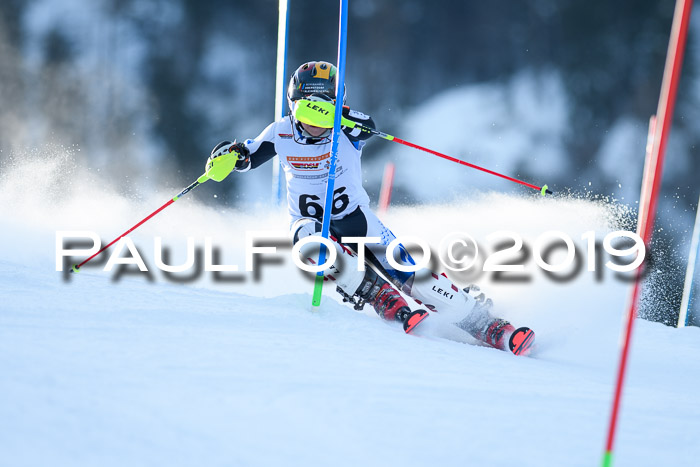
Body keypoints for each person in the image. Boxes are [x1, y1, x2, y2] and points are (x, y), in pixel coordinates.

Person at [205, 60, 533, 355]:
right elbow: (247, 157)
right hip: (310, 222)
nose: (314, 125)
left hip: (355, 219)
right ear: (294, 107)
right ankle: (379, 295)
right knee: (310, 244)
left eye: (323, 112)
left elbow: (366, 123)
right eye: (306, 112)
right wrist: (228, 157)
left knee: (414, 275)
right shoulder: (280, 132)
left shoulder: (346, 129)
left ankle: (486, 324)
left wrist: (339, 118)